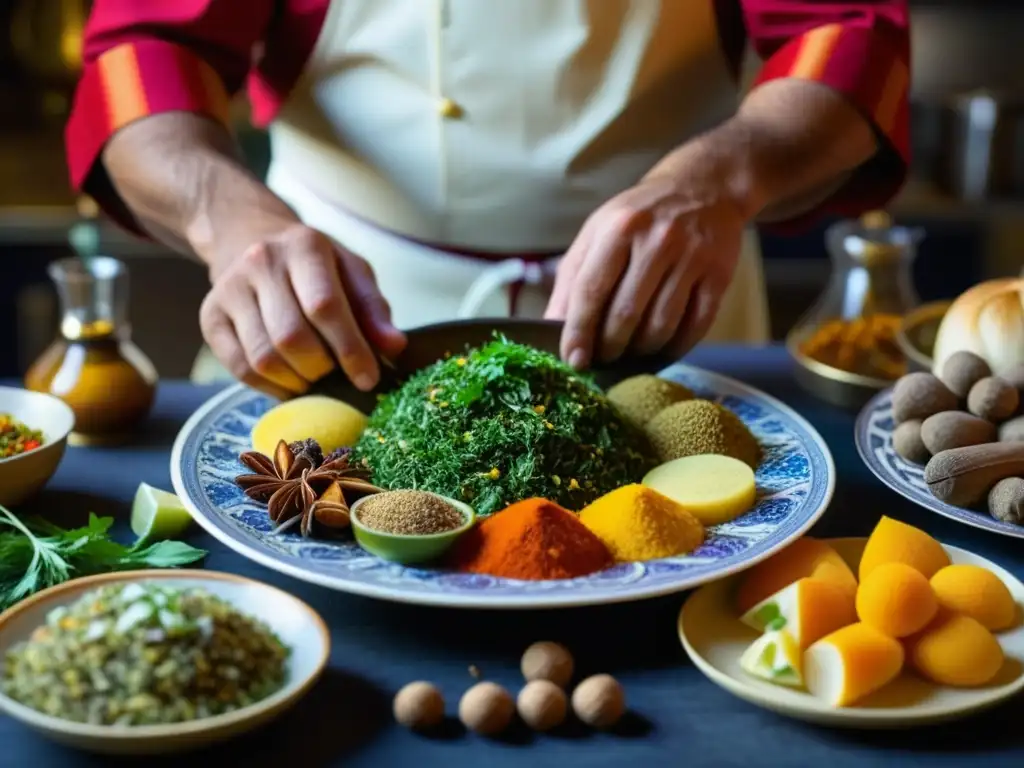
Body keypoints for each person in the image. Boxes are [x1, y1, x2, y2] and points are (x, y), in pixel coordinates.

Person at [66, 0, 910, 398]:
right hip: (339, 315)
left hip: (668, 306)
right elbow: (142, 48)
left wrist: (720, 182)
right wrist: (230, 221)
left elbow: (849, 33)